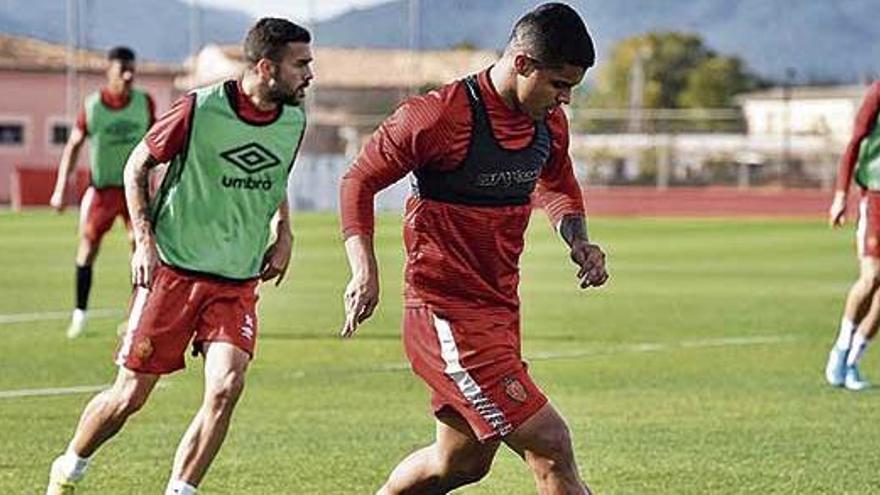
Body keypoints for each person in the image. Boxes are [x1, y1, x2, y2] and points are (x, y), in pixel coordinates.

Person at [339, 4, 608, 494]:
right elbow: (359, 180)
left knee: (457, 464)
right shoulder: (439, 115)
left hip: (499, 311)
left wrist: (579, 240)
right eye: (559, 84)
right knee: (551, 443)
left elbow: (559, 183)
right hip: (444, 315)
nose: (566, 99)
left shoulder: (547, 123)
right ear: (522, 63)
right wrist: (364, 271)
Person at [46, 18, 313, 495]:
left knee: (227, 387)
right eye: (301, 65)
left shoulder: (294, 120)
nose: (310, 75)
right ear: (267, 68)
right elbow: (137, 166)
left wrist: (285, 231)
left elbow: (277, 178)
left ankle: (180, 490)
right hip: (172, 273)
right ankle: (70, 466)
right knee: (128, 397)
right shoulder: (200, 109)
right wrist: (144, 242)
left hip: (236, 282)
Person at [50, 46, 157, 338]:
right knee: (88, 249)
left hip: (135, 191)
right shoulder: (93, 106)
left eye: (132, 69)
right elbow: (73, 146)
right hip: (103, 191)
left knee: (141, 247)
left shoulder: (144, 103)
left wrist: (157, 183)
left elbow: (157, 144)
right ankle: (79, 315)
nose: (128, 74)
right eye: (122, 69)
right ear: (108, 71)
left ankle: (138, 316)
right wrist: (61, 188)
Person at [825, 80, 880, 391]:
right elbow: (854, 142)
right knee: (872, 277)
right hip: (877, 194)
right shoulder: (878, 92)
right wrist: (840, 196)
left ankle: (854, 359)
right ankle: (841, 348)